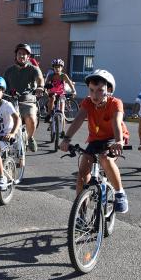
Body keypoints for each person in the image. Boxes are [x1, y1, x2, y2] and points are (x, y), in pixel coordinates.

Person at [59, 69, 130, 213]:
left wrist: (119, 141)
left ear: (109, 90)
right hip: (95, 140)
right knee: (82, 174)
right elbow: (78, 119)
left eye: (99, 90)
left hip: (113, 139)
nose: (94, 95)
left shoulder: (115, 103)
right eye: (91, 90)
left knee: (105, 158)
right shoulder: (87, 102)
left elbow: (116, 123)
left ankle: (120, 193)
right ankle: (80, 212)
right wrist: (66, 139)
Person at [3, 43, 44, 152]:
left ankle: (30, 138)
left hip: (28, 100)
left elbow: (39, 78)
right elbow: (3, 85)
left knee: (31, 118)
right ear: (15, 55)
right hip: (11, 100)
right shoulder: (9, 70)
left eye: (24, 54)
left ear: (28, 57)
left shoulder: (33, 69)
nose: (22, 56)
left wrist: (40, 87)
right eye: (19, 53)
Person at [44, 58, 77, 125]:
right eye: (55, 67)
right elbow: (45, 84)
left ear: (61, 68)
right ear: (53, 68)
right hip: (53, 93)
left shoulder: (63, 76)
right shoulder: (51, 76)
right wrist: (45, 89)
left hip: (61, 93)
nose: (57, 69)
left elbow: (70, 84)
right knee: (52, 98)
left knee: (62, 111)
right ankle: (49, 115)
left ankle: (62, 130)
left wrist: (74, 91)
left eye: (59, 67)